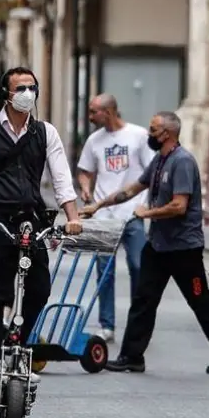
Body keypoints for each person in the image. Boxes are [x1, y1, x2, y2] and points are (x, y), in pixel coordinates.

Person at [80, 111, 209, 375]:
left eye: (153, 129)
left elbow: (179, 206)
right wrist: (98, 205)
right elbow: (132, 189)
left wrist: (148, 213)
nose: (149, 134)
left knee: (200, 300)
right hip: (158, 246)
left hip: (184, 250)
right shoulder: (160, 160)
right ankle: (131, 356)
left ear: (166, 134)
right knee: (144, 300)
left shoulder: (183, 162)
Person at [0, 66, 82, 385]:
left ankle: (18, 349)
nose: (28, 94)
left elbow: (61, 177)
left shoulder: (45, 132)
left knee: (39, 286)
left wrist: (73, 216)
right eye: (21, 88)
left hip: (29, 215)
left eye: (32, 88)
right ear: (7, 95)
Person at [76, 93, 155, 342]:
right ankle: (107, 324)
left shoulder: (139, 136)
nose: (90, 117)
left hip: (132, 213)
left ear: (108, 112)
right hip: (103, 216)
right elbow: (84, 171)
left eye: (93, 112)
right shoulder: (94, 140)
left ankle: (137, 322)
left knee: (138, 266)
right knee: (104, 271)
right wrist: (86, 188)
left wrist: (149, 207)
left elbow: (150, 173)